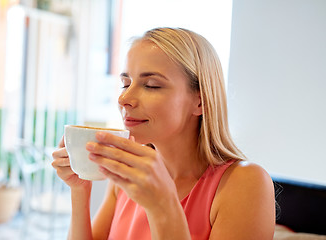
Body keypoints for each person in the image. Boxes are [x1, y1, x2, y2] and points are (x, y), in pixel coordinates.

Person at [52, 27, 275, 240]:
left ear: (201, 101)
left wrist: (163, 205)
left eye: (151, 85)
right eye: (125, 84)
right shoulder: (128, 174)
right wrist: (79, 189)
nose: (123, 99)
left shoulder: (246, 184)